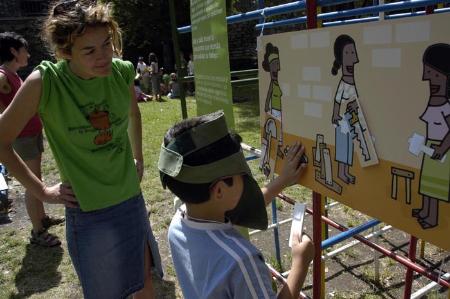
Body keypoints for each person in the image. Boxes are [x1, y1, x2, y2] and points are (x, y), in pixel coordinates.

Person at [0, 2, 162, 298]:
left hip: (130, 200)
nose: (104, 57)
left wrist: (138, 155)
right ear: (65, 52)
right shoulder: (46, 82)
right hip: (89, 212)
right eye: (89, 51)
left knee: (144, 284)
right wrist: (42, 192)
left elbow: (133, 114)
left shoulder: (122, 71)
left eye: (107, 44)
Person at [158, 111, 314, 298]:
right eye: (242, 174)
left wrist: (282, 180)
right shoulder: (241, 262)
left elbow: (232, 206)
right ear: (220, 191)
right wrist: (300, 263)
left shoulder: (178, 223)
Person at [0, 31, 62, 247]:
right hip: (23, 138)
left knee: (37, 178)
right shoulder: (2, 75)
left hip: (31, 135)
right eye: (24, 49)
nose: (27, 53)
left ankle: (42, 218)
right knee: (32, 183)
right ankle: (38, 231)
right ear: (13, 51)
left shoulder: (13, 74)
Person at [412, 43, 450, 229]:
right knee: (426, 184)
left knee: (434, 187)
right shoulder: (435, 101)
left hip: (440, 149)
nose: (431, 81)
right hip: (430, 144)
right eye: (429, 75)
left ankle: (432, 217)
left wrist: (443, 148)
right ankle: (425, 211)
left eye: (435, 75)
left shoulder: (445, 105)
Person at [331, 34, 359, 185]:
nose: (351, 56)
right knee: (343, 148)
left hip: (350, 120)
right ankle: (341, 172)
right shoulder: (344, 83)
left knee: (348, 148)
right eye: (347, 53)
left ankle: (345, 171)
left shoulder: (353, 80)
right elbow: (337, 101)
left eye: (352, 52)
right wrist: (335, 115)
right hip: (342, 121)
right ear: (341, 59)